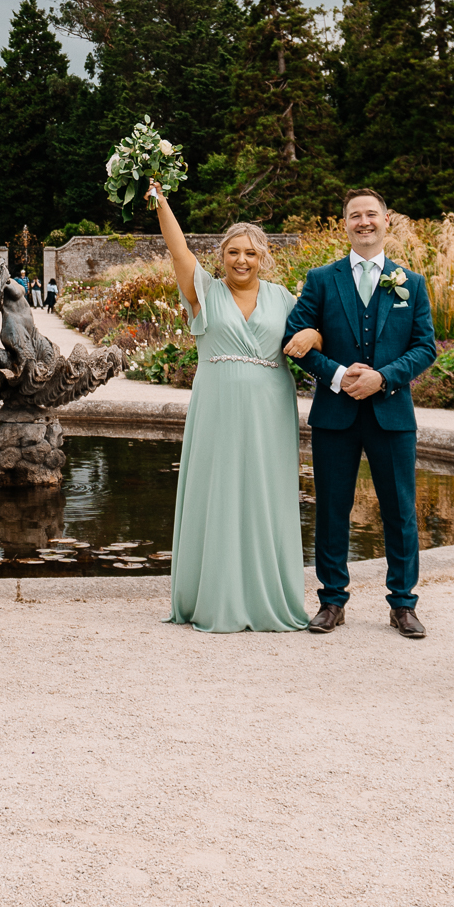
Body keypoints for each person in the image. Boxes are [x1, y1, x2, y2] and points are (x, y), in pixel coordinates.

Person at [152, 181, 310, 633]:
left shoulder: (284, 298)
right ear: (221, 256)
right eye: (233, 252)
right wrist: (162, 203)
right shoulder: (203, 290)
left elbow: (314, 333)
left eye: (251, 253)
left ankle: (267, 597)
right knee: (216, 491)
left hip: (270, 410)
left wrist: (313, 336)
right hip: (217, 406)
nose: (241, 260)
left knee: (265, 492)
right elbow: (178, 249)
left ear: (264, 257)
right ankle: (214, 596)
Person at [280, 189, 437, 638]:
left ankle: (403, 605)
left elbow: (425, 347)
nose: (364, 222)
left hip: (391, 414)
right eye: (355, 216)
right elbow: (295, 337)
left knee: (400, 511)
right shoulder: (321, 279)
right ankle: (332, 601)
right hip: (335, 413)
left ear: (388, 220)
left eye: (372, 214)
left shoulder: (413, 282)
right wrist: (338, 374)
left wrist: (382, 378)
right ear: (344, 224)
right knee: (332, 508)